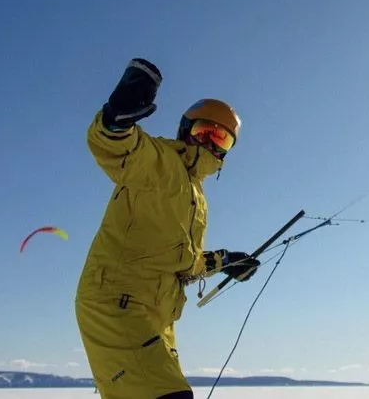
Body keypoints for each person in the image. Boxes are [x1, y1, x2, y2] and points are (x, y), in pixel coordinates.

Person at [75, 58, 260, 399]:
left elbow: (183, 263)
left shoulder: (196, 200)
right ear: (185, 130)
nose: (211, 144)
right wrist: (115, 121)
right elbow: (118, 146)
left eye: (222, 139)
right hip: (115, 303)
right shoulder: (159, 161)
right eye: (205, 131)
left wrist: (227, 261)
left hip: (157, 320)